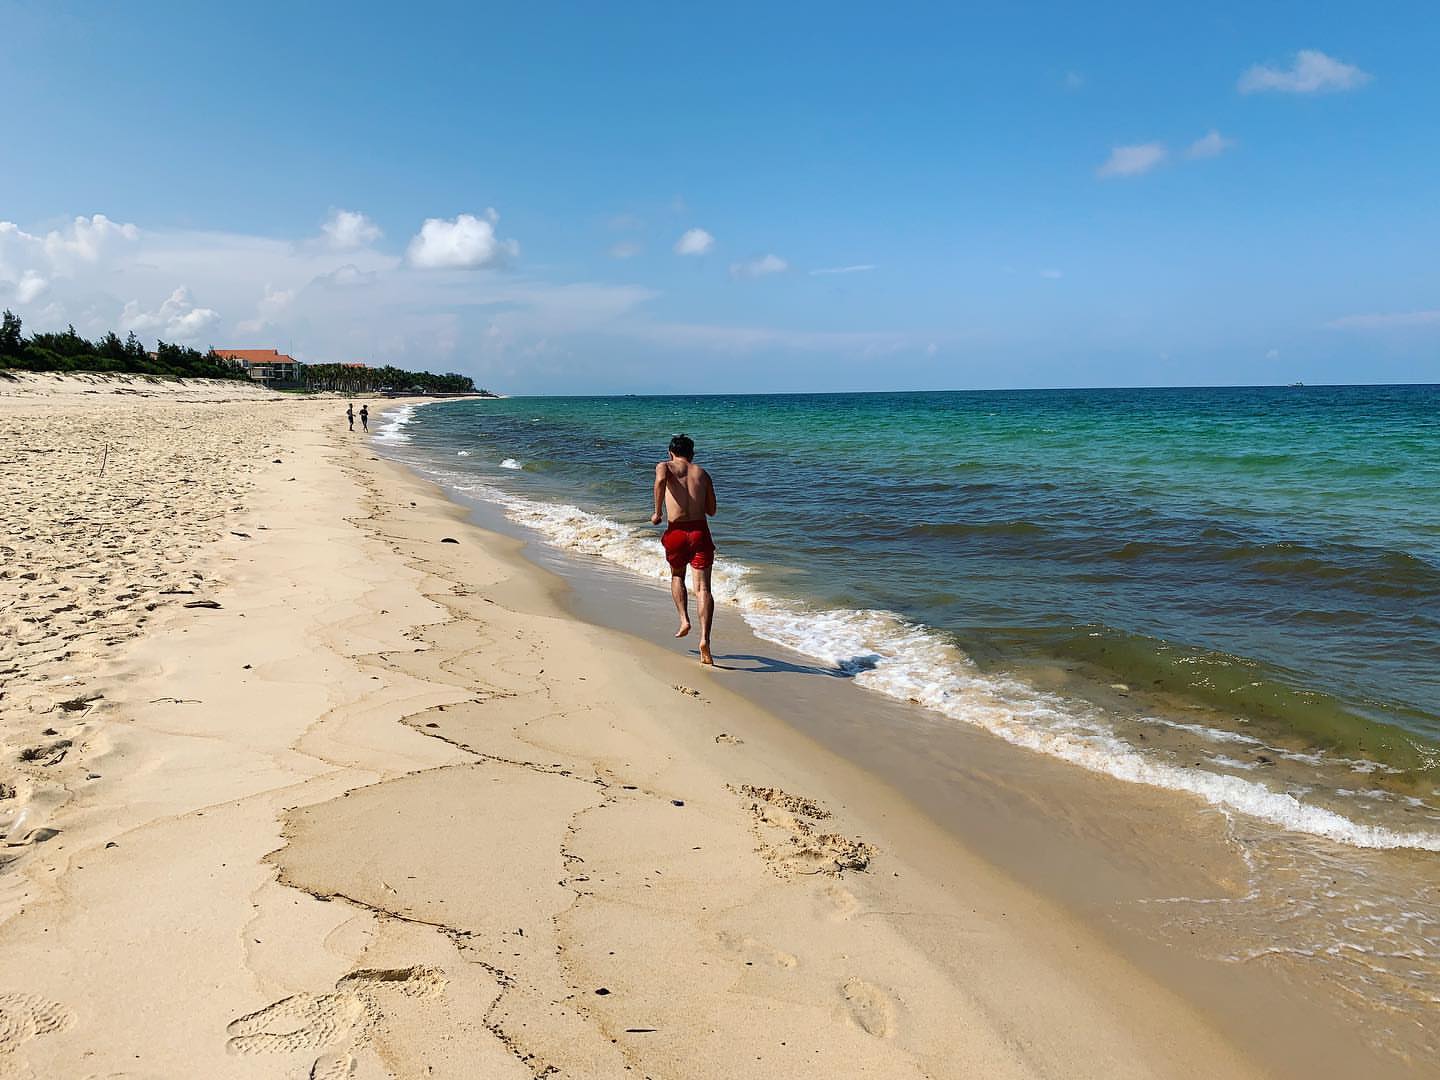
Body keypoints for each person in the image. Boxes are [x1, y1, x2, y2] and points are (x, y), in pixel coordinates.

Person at [651, 434, 717, 664]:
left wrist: (658, 512)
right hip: (700, 531)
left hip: (677, 531)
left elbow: (660, 481)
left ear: (671, 452)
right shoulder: (702, 473)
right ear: (692, 454)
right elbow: (712, 510)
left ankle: (684, 620)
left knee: (677, 575)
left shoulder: (665, 466)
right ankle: (705, 640)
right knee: (703, 588)